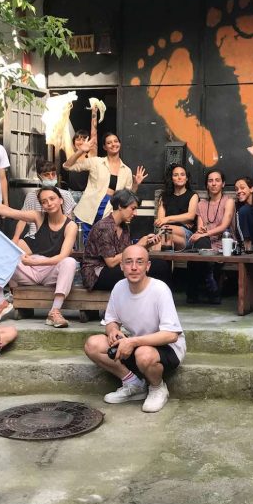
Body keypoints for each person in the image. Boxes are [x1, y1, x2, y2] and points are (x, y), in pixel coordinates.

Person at [83, 244, 185, 413]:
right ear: (122, 266)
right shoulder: (119, 287)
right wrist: (113, 331)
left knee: (143, 354)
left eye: (140, 262)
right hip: (134, 344)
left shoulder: (160, 289)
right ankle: (133, 384)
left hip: (166, 348)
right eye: (129, 262)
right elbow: (111, 320)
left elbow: (171, 335)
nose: (134, 267)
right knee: (92, 344)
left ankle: (157, 388)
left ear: (148, 266)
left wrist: (133, 342)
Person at [0, 187, 79, 328]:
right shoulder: (39, 216)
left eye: (52, 199)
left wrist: (36, 263)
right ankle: (0, 302)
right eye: (44, 201)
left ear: (61, 200)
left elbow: (62, 256)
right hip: (30, 270)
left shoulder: (70, 226)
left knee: (69, 262)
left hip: (51, 271)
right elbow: (8, 211)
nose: (49, 203)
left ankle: (54, 312)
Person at [65, 123, 148, 243]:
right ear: (104, 147)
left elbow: (128, 198)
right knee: (81, 246)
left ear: (120, 144)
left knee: (103, 245)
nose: (113, 144)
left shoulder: (127, 170)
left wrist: (136, 184)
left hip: (109, 211)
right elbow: (68, 166)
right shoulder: (96, 162)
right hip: (87, 209)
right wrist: (81, 151)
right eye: (109, 143)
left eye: (116, 141)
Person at [81, 190, 170, 291]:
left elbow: (128, 255)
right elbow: (111, 262)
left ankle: (157, 297)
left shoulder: (124, 227)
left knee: (159, 265)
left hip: (117, 268)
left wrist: (146, 245)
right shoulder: (104, 226)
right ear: (120, 206)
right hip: (97, 274)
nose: (135, 213)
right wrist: (138, 246)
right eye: (133, 208)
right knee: (155, 267)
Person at [186, 169, 236, 304]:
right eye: (210, 181)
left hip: (224, 243)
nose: (214, 183)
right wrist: (201, 231)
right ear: (207, 185)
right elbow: (200, 228)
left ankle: (194, 292)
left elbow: (224, 226)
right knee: (200, 246)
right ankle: (210, 285)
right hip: (207, 243)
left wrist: (204, 233)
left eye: (217, 180)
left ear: (223, 184)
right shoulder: (201, 204)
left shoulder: (228, 201)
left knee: (199, 249)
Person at [14, 158, 76, 240]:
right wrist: (15, 239)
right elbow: (22, 219)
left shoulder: (65, 195)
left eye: (53, 174)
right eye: (47, 175)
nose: (51, 177)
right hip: (33, 237)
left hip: (56, 238)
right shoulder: (31, 196)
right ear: (39, 176)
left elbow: (68, 220)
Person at [153, 164, 199, 251]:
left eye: (182, 174)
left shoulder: (193, 196)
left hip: (186, 236)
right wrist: (182, 220)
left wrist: (167, 219)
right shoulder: (164, 196)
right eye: (175, 175)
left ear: (186, 178)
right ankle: (164, 259)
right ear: (171, 178)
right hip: (167, 233)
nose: (179, 177)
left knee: (164, 231)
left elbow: (190, 216)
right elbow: (160, 221)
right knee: (161, 239)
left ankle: (160, 258)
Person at [60, 129, 91, 203]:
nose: (81, 142)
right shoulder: (70, 156)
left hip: (87, 194)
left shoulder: (91, 156)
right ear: (74, 142)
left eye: (84, 140)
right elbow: (66, 166)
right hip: (72, 193)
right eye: (78, 139)